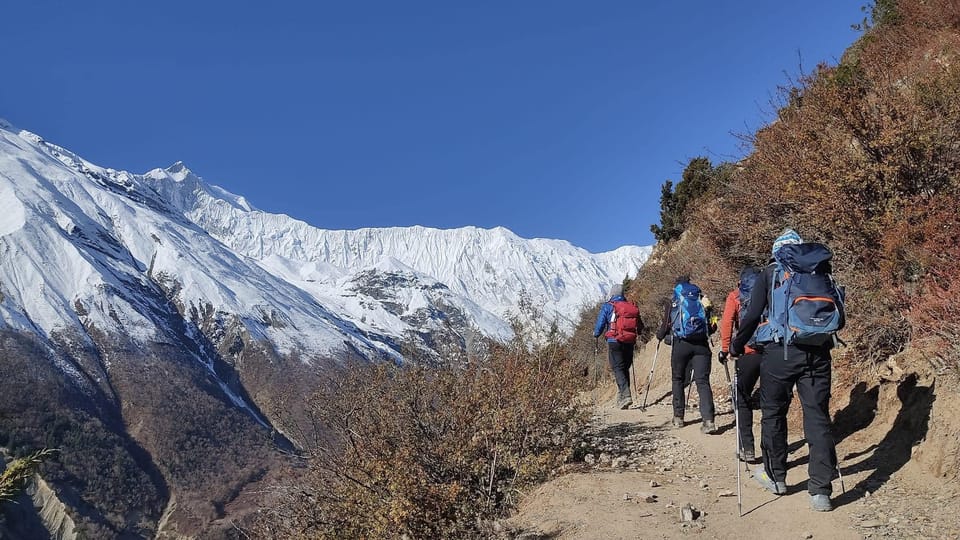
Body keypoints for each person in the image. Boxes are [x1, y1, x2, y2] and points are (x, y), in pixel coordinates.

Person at [732, 228, 840, 512]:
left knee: (774, 412)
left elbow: (753, 314)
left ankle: (776, 476)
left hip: (780, 353)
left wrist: (736, 345)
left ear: (776, 251)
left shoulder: (771, 273)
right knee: (817, 416)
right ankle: (821, 491)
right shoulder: (820, 269)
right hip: (818, 350)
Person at [656, 276, 717, 434]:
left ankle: (678, 417)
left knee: (677, 379)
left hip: (681, 345)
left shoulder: (673, 300)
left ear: (677, 286)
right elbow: (712, 326)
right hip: (702, 346)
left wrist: (660, 336)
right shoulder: (702, 298)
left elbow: (666, 324)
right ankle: (709, 420)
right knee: (702, 381)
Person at [718, 266, 763, 462]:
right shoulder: (770, 291)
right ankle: (774, 454)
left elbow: (727, 322)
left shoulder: (736, 296)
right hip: (773, 352)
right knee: (772, 403)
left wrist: (726, 349)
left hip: (747, 353)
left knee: (742, 398)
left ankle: (747, 448)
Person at [594, 284, 643, 409]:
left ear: (612, 294)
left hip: (614, 340)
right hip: (630, 341)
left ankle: (626, 395)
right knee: (624, 367)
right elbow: (640, 326)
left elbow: (601, 323)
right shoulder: (630, 306)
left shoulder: (608, 306)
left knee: (617, 367)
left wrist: (596, 333)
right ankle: (622, 398)